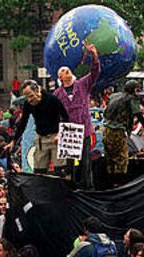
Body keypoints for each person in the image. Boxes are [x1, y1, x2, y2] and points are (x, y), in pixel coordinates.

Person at [53, 41, 100, 189]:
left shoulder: (82, 84)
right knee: (71, 164)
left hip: (84, 131)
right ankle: (72, 187)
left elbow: (95, 72)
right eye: (64, 73)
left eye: (68, 71)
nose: (67, 73)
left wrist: (94, 55)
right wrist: (57, 133)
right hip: (68, 134)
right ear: (60, 78)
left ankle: (88, 189)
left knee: (85, 161)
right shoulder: (57, 94)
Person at [6, 79, 69, 176]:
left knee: (60, 171)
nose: (30, 100)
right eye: (27, 97)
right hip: (40, 139)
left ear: (37, 91)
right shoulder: (28, 104)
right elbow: (23, 123)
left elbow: (65, 117)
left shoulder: (52, 99)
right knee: (39, 171)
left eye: (31, 96)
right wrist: (14, 140)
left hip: (55, 137)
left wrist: (61, 134)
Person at [103, 80, 144, 185]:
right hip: (118, 131)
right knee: (121, 159)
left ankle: (109, 183)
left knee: (110, 157)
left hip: (106, 130)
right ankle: (119, 184)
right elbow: (140, 117)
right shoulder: (132, 99)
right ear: (133, 90)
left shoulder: (114, 96)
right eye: (137, 90)